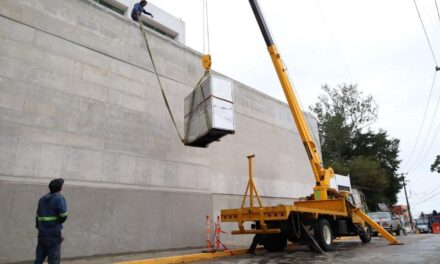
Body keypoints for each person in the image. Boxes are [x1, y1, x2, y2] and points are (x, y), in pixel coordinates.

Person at [34, 178, 68, 264]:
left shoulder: (42, 199)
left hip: (42, 234)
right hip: (53, 235)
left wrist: (40, 228)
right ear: (60, 188)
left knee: (39, 259)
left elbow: (37, 217)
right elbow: (63, 216)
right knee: (53, 260)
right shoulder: (59, 198)